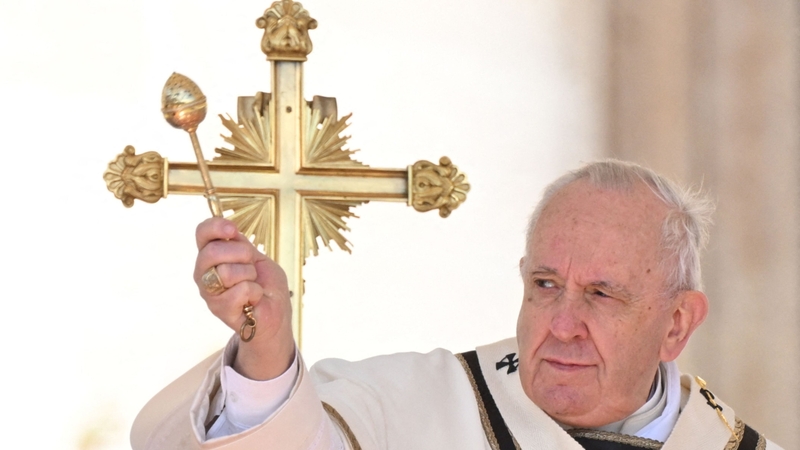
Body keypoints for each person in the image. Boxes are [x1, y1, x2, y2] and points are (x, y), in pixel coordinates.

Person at [131, 160, 783, 449]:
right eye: (546, 286)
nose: (560, 327)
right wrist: (266, 353)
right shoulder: (406, 407)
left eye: (602, 295)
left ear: (676, 324)